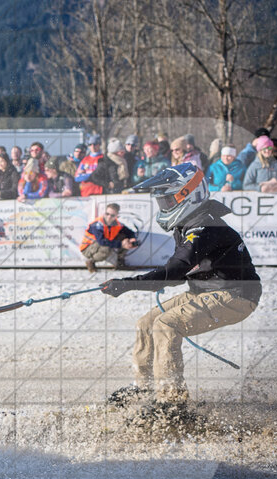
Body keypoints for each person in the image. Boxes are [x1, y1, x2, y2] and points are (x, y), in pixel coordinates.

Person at [101, 163, 260, 409]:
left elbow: (175, 269)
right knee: (146, 323)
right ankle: (144, 389)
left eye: (167, 200)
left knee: (166, 325)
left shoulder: (206, 226)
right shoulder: (188, 223)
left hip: (235, 295)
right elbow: (179, 275)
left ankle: (172, 402)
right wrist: (127, 284)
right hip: (206, 291)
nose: (164, 207)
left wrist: (126, 284)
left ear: (189, 194)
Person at [79, 202, 137, 272]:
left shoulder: (117, 224)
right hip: (87, 249)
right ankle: (90, 262)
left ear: (116, 216)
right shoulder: (97, 224)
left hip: (100, 245)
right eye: (107, 214)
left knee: (125, 239)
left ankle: (120, 264)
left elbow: (130, 232)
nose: (109, 217)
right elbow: (102, 241)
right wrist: (121, 244)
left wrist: (132, 239)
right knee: (106, 247)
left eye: (112, 215)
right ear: (104, 213)